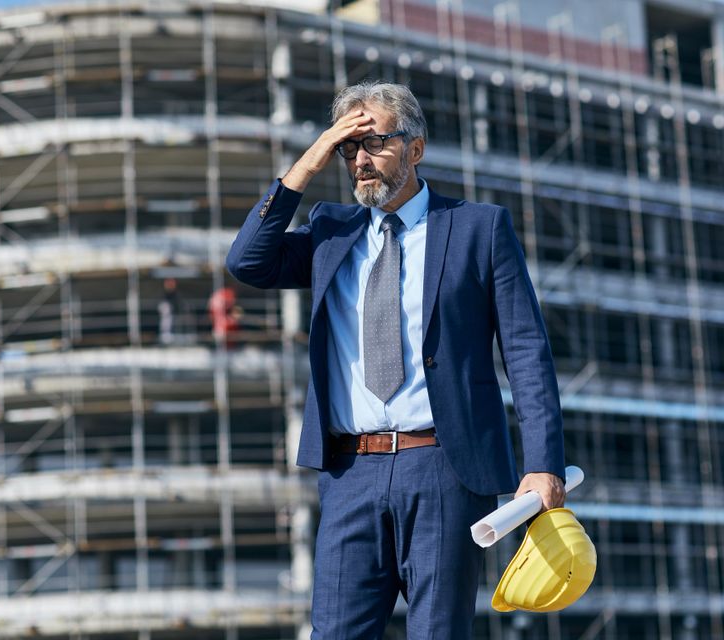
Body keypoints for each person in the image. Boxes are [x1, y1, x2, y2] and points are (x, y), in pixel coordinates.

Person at [226, 81, 565, 639]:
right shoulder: (329, 233)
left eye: (375, 142)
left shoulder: (479, 228)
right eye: (348, 148)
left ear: (416, 148)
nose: (359, 160)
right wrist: (311, 157)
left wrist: (543, 461)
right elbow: (247, 261)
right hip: (349, 473)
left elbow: (527, 352)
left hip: (444, 469)